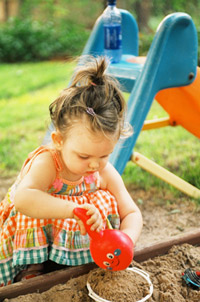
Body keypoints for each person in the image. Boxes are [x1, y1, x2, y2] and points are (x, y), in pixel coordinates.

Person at [0, 56, 143, 286]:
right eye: (84, 156)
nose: (94, 165)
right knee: (39, 200)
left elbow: (132, 213)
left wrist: (125, 240)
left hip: (77, 245)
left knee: (106, 199)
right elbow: (23, 199)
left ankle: (76, 261)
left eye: (104, 155)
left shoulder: (103, 172)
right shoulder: (49, 162)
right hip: (37, 241)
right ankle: (33, 268)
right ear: (58, 140)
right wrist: (73, 210)